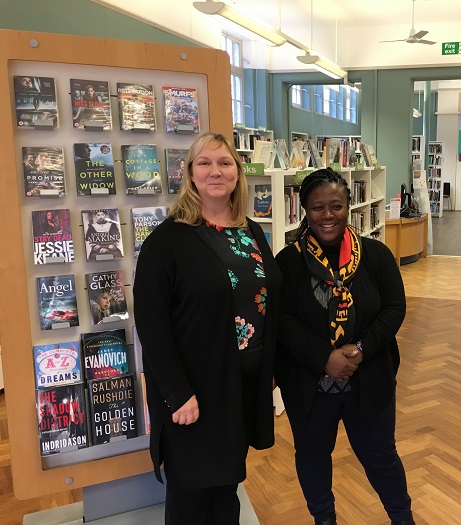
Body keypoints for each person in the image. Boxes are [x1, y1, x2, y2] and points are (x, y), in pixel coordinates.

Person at [133, 132, 281, 524]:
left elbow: (265, 300)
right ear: (191, 174)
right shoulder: (167, 241)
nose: (216, 171)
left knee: (226, 488)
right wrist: (177, 393)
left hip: (240, 388)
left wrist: (268, 370)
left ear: (237, 173)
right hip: (194, 394)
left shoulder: (251, 232)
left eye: (225, 162)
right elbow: (151, 324)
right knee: (192, 498)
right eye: (205, 163)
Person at [275, 168, 414, 525]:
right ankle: (324, 520)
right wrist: (325, 358)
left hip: (369, 380)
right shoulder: (287, 263)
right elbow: (283, 320)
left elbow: (394, 308)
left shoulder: (377, 256)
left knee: (381, 456)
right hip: (310, 385)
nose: (327, 215)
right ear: (305, 209)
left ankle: (402, 518)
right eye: (317, 207)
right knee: (312, 457)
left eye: (336, 205)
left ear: (349, 206)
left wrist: (362, 349)